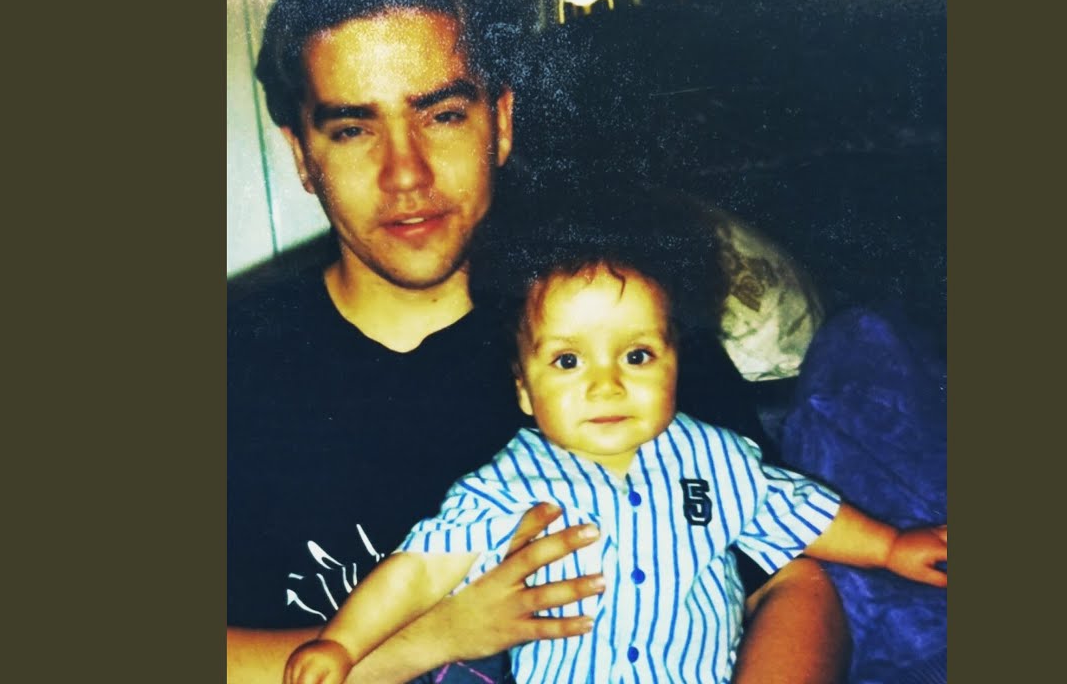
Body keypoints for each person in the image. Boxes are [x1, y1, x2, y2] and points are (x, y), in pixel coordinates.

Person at [228, 0, 850, 683]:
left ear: (500, 122)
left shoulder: (620, 332)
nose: (406, 175)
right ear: (302, 155)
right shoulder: (233, 365)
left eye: (442, 115)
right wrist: (437, 638)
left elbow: (792, 582)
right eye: (352, 129)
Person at [281, 203, 947, 684]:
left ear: (675, 364)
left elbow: (799, 511)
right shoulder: (505, 485)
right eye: (568, 361)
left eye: (636, 355)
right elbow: (421, 569)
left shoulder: (717, 458)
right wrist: (342, 643)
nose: (606, 385)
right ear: (524, 389)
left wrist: (890, 547)